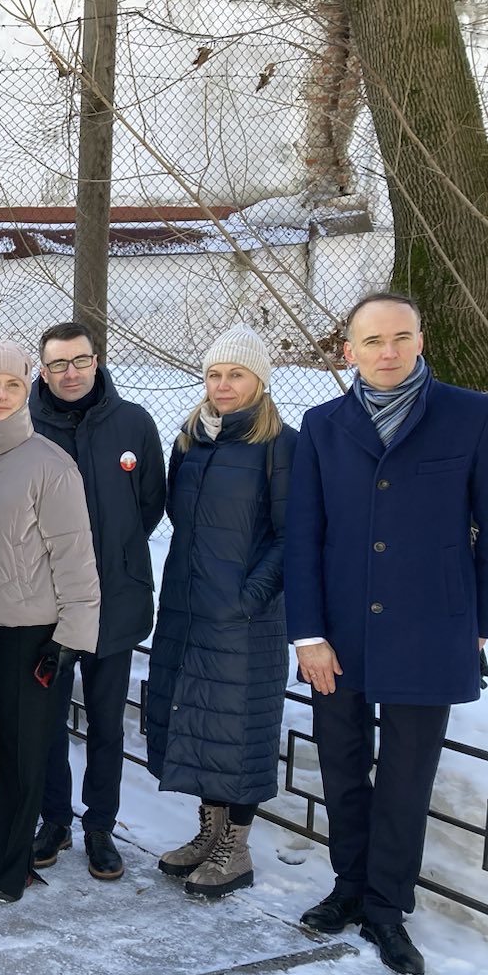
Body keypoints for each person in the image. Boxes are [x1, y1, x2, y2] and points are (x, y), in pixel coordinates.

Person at [286, 292, 488, 975]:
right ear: (349, 351)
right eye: (371, 341)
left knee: (407, 775)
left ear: (421, 342)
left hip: (432, 628)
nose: (386, 352)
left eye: (399, 337)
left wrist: (480, 625)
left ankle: (387, 907)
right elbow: (304, 533)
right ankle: (348, 887)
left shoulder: (473, 416)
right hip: (339, 632)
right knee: (342, 764)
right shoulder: (323, 425)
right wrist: (307, 633)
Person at [145, 327, 299, 898]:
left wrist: (248, 597)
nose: (223, 385)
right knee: (201, 721)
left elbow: (291, 536)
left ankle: (236, 848)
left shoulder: (281, 444)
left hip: (245, 618)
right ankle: (210, 833)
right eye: (214, 374)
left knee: (240, 727)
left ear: (260, 379)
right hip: (188, 607)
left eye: (236, 374)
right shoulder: (191, 441)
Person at [0, 342, 99, 902]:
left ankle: (8, 867)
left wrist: (71, 636)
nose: (1, 394)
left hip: (29, 633)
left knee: (20, 753)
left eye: (13, 385)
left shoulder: (49, 463)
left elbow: (75, 554)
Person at [27, 321, 165, 881]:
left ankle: (100, 827)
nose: (71, 373)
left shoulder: (134, 423)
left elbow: (149, 503)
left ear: (96, 360)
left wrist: (119, 553)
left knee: (107, 723)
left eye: (80, 361)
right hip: (46, 605)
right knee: (47, 721)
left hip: (115, 599)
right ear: (43, 371)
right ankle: (54, 820)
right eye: (58, 364)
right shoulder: (25, 425)